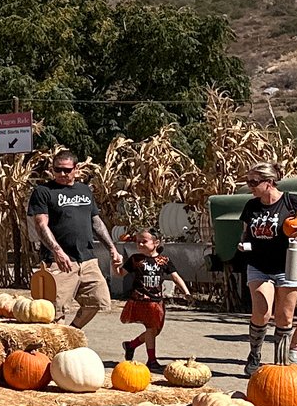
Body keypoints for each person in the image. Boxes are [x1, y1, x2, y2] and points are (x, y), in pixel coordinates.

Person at [235, 164, 297, 373]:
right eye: (248, 182)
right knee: (262, 312)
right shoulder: (251, 206)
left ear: (269, 182)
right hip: (259, 264)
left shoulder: (293, 201)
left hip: (289, 264)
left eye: (254, 182)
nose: (250, 187)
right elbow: (246, 232)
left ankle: (280, 362)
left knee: (285, 316)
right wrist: (243, 244)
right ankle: (255, 354)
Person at [26, 150, 115, 332]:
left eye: (67, 170)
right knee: (54, 310)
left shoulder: (84, 190)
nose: (62, 174)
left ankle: (72, 333)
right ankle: (56, 351)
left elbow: (96, 222)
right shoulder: (43, 192)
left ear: (76, 169)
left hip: (87, 259)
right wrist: (57, 251)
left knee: (97, 301)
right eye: (58, 170)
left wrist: (112, 248)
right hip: (60, 262)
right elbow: (41, 225)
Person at [117, 231, 189, 370]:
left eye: (144, 241)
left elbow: (175, 277)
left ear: (156, 243)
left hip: (156, 301)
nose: (140, 244)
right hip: (140, 300)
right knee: (151, 329)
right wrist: (115, 264)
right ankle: (151, 360)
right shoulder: (135, 259)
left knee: (155, 330)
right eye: (138, 241)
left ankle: (131, 345)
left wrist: (186, 292)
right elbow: (120, 274)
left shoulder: (164, 261)